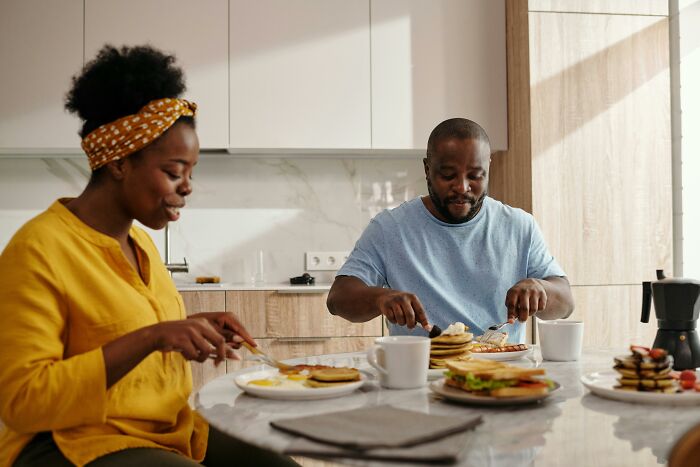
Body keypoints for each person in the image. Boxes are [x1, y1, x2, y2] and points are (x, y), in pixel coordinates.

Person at [0, 45, 297, 467]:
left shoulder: (140, 245)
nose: (188, 187)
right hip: (75, 442)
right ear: (120, 162)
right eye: (174, 172)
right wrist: (153, 337)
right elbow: (22, 401)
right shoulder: (37, 250)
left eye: (191, 173)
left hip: (166, 429)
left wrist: (187, 328)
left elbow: (124, 331)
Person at [327, 118, 574, 342]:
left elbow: (566, 304)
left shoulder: (520, 226)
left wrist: (542, 290)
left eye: (475, 176)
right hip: (421, 374)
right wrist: (379, 298)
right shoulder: (390, 228)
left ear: (488, 168)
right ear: (427, 169)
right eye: (448, 176)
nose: (462, 187)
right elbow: (338, 299)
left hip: (502, 375)